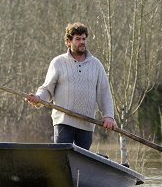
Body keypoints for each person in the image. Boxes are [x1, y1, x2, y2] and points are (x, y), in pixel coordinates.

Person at [25, 22, 117, 150]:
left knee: (82, 161)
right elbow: (47, 89)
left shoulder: (96, 65)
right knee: (61, 157)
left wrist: (108, 116)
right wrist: (38, 98)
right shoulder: (58, 62)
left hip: (87, 123)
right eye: (77, 39)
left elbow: (104, 93)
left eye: (84, 38)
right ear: (68, 42)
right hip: (63, 121)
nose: (82, 42)